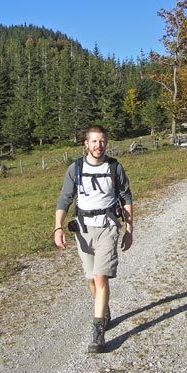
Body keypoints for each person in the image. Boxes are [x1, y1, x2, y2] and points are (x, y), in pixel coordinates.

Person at [54, 125, 134, 353]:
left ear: (106, 143)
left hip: (108, 227)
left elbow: (126, 196)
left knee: (101, 278)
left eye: (102, 141)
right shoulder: (75, 168)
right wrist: (57, 227)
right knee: (90, 280)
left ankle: (98, 332)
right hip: (83, 229)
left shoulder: (114, 167)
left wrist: (129, 229)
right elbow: (64, 199)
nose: (99, 145)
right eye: (94, 141)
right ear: (86, 144)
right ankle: (104, 309)